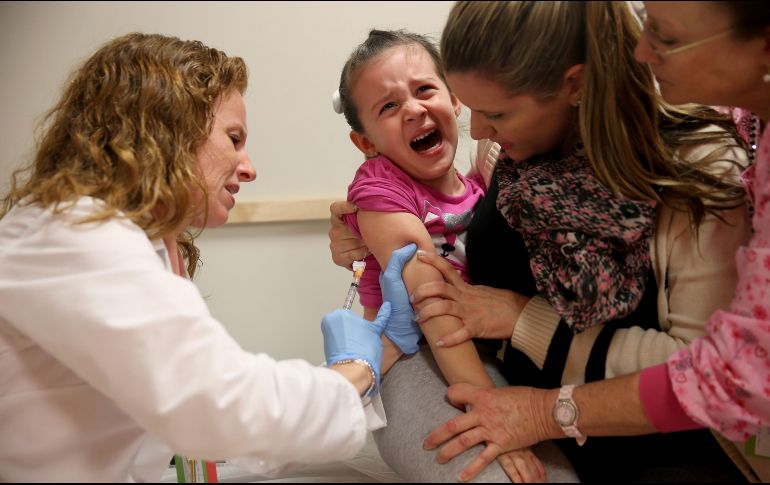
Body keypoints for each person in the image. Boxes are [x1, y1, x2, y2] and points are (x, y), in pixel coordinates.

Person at [329, 1, 754, 482]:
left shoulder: (699, 175)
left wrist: (520, 323)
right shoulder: (507, 149)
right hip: (509, 388)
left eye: (495, 113)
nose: (481, 130)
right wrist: (370, 231)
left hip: (650, 438)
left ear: (573, 86)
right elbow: (455, 233)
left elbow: (706, 372)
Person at [0, 32, 421, 482]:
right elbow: (217, 406)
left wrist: (377, 355)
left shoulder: (138, 242)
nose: (249, 167)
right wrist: (355, 369)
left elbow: (212, 419)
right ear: (168, 128)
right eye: (234, 138)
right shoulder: (74, 236)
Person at [333, 28, 579, 483]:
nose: (413, 109)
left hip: (491, 352)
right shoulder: (380, 190)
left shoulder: (482, 182)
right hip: (418, 353)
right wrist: (491, 410)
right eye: (388, 107)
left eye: (425, 89)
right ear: (365, 143)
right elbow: (435, 307)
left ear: (456, 98)